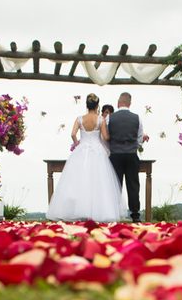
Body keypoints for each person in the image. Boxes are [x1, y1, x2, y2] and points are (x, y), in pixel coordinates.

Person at [46, 93, 122, 222]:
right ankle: (98, 211)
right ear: (97, 105)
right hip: (97, 151)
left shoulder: (80, 119)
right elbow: (105, 137)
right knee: (98, 181)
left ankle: (78, 210)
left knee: (79, 180)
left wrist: (78, 145)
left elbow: (73, 134)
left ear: (87, 105)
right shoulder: (100, 119)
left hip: (82, 149)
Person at [106, 91, 145, 221]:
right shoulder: (137, 118)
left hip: (116, 153)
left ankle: (114, 213)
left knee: (115, 184)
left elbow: (105, 137)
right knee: (133, 184)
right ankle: (135, 215)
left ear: (118, 102)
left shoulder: (109, 118)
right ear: (130, 103)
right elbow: (140, 138)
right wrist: (133, 147)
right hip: (131, 154)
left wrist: (112, 147)